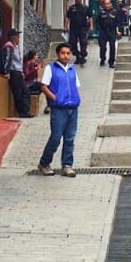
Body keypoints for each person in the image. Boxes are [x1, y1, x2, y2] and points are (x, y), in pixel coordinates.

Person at [38, 43, 81, 177]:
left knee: (70, 138)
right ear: (58, 54)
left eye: (68, 53)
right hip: (58, 109)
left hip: (72, 108)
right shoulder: (51, 68)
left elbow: (76, 85)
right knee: (56, 137)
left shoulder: (72, 69)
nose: (66, 56)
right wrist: (53, 98)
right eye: (63, 53)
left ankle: (67, 165)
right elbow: (43, 86)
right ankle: (44, 163)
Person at [3, 28, 34, 118]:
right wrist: (7, 72)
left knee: (25, 91)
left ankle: (25, 110)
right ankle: (22, 111)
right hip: (13, 72)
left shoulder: (15, 46)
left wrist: (21, 71)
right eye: (17, 36)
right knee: (18, 92)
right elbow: (8, 59)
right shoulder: (9, 46)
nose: (19, 38)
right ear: (12, 37)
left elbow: (18, 61)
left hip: (18, 72)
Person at [65, 0, 92, 65]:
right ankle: (77, 55)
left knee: (83, 42)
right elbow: (68, 17)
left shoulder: (85, 8)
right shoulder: (72, 8)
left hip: (83, 28)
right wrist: (65, 26)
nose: (78, 0)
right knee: (72, 43)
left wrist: (91, 26)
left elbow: (90, 17)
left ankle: (82, 56)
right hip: (73, 28)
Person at [97, 0, 123, 68]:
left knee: (112, 47)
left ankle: (111, 62)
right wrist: (99, 30)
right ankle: (102, 59)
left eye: (108, 4)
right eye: (105, 4)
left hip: (112, 31)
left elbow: (119, 22)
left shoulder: (115, 12)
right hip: (103, 32)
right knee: (102, 47)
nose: (107, 5)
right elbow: (98, 22)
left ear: (111, 4)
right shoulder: (101, 12)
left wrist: (119, 31)